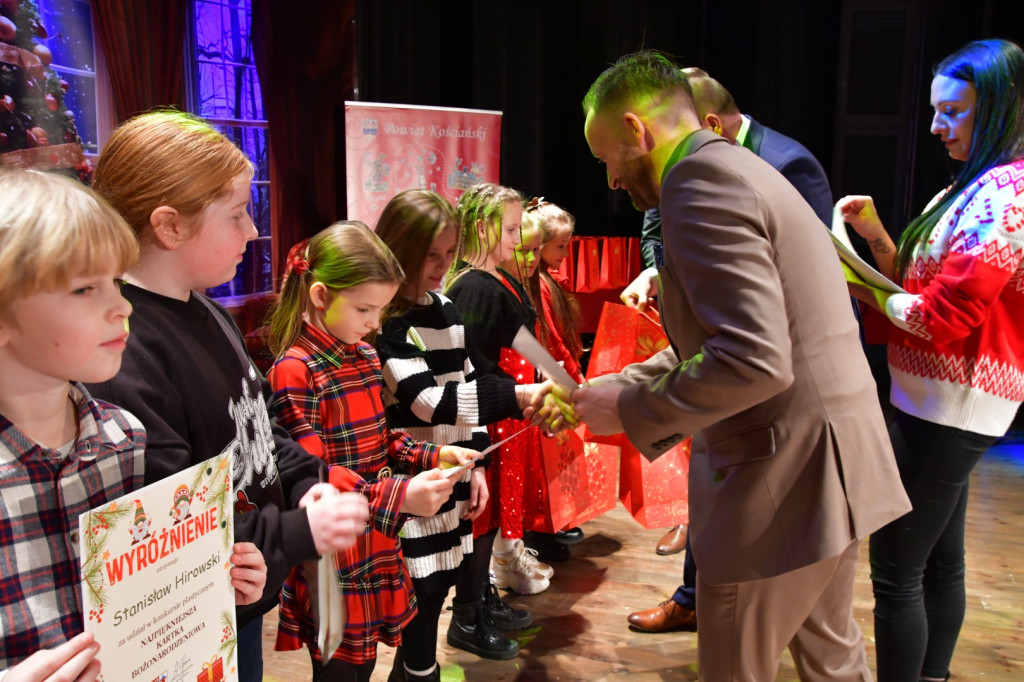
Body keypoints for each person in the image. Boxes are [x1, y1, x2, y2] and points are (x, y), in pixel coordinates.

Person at [575, 51, 910, 680]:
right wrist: (622, 384)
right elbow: (749, 333)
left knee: (737, 667)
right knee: (833, 658)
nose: (612, 182)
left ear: (634, 129)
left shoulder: (695, 184)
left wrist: (626, 407)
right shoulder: (739, 165)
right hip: (830, 470)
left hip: (778, 484)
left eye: (606, 160)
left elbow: (753, 360)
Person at [85, 111, 370, 682]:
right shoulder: (126, 350)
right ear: (169, 226)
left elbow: (260, 426)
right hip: (190, 620)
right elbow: (165, 527)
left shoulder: (209, 310)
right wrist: (296, 533)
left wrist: (307, 483)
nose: (252, 231)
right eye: (237, 214)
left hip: (242, 594)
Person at [0, 168, 265, 677]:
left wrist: (208, 579)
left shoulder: (124, 437)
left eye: (114, 283)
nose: (120, 306)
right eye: (84, 290)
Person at [624, 66, 837, 633]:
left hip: (784, 423)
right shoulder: (698, 173)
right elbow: (659, 230)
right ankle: (692, 595)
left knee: (742, 637)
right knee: (829, 646)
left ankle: (699, 596)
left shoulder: (763, 169)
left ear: (705, 124)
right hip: (766, 407)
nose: (618, 179)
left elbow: (768, 332)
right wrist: (657, 277)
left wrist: (630, 404)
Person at [837, 38, 1024, 682]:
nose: (938, 126)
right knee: (937, 561)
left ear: (998, 108)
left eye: (954, 112)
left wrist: (856, 283)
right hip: (939, 401)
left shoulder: (1007, 193)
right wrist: (877, 240)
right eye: (936, 110)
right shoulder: (975, 184)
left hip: (953, 404)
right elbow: (923, 288)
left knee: (896, 569)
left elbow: (942, 317)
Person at [266, 221, 474, 682]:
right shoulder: (294, 371)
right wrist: (401, 497)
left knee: (365, 662)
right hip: (335, 546)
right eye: (364, 308)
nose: (375, 323)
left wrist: (430, 457)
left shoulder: (362, 354)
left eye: (379, 310)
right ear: (320, 296)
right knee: (340, 668)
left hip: (376, 536)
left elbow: (383, 439)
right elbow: (315, 473)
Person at [375, 190, 543, 671]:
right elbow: (431, 403)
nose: (441, 265)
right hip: (414, 490)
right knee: (420, 601)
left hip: (451, 485)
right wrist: (517, 397)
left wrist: (480, 467)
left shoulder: (446, 308)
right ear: (397, 246)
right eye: (431, 254)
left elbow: (468, 387)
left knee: (437, 593)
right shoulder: (389, 320)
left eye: (449, 254)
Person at [445, 182, 560, 599]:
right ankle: (471, 606)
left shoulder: (492, 279)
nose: (517, 240)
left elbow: (521, 338)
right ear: (482, 227)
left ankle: (481, 600)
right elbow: (470, 360)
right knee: (481, 516)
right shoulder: (473, 285)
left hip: (502, 405)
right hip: (486, 413)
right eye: (511, 231)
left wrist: (558, 380)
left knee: (492, 513)